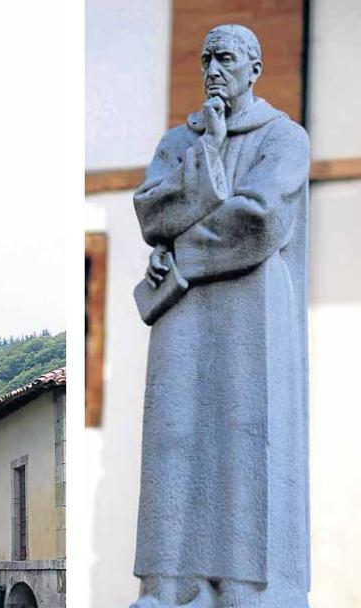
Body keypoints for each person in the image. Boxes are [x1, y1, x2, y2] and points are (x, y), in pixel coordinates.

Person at [130, 24, 310, 607]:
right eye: (205, 57)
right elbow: (148, 212)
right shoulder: (179, 141)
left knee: (244, 437)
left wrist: (179, 254)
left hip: (248, 311)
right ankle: (169, 585)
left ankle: (243, 587)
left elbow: (257, 220)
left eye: (225, 58)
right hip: (182, 315)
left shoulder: (285, 139)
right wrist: (205, 155)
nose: (212, 68)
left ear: (254, 68)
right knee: (173, 438)